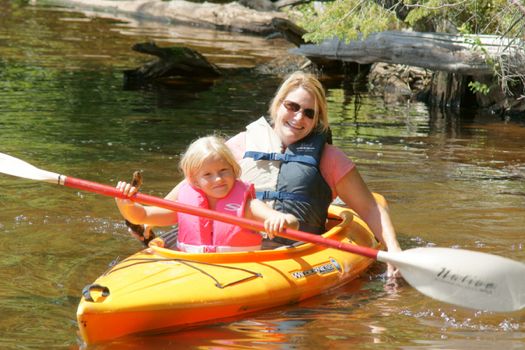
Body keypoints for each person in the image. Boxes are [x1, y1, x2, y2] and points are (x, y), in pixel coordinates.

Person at [137, 71, 402, 276]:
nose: (299, 118)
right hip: (233, 249)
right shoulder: (240, 144)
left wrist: (394, 253)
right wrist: (145, 219)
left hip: (294, 253)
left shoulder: (330, 158)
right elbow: (189, 189)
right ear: (277, 105)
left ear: (317, 119)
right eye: (292, 106)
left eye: (309, 113)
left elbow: (371, 208)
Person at [115, 135, 299, 253]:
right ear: (194, 180)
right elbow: (143, 215)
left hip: (239, 267)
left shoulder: (249, 206)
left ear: (234, 171)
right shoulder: (184, 204)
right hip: (193, 266)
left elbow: (292, 223)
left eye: (223, 171)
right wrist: (125, 203)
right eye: (208, 174)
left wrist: (281, 221)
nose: (218, 179)